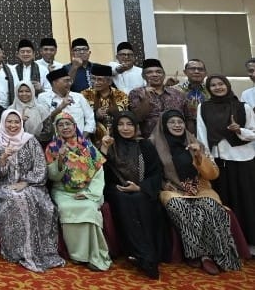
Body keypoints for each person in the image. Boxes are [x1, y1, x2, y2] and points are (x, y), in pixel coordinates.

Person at [152, 109, 240, 275]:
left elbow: (213, 174)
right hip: (172, 189)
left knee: (211, 207)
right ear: (164, 125)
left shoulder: (196, 143)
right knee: (180, 207)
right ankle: (201, 255)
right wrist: (164, 185)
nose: (177, 125)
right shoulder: (153, 144)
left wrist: (199, 156)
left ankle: (219, 254)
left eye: (180, 122)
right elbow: (151, 173)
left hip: (200, 188)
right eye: (172, 122)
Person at [0, 109, 63, 272]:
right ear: (3, 122)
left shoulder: (30, 140)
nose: (13, 125)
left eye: (16, 122)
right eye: (9, 121)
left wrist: (26, 182)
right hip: (5, 186)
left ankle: (40, 251)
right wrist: (3, 158)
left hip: (31, 184)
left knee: (36, 201)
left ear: (21, 123)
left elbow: (40, 167)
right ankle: (19, 252)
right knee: (16, 199)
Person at [98, 112, 163, 279]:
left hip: (141, 188)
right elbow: (97, 172)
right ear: (115, 127)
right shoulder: (109, 144)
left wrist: (140, 187)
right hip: (115, 189)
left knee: (141, 200)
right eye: (121, 124)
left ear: (136, 127)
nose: (125, 128)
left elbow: (156, 173)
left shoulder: (145, 145)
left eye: (129, 124)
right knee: (124, 201)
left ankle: (148, 255)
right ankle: (139, 254)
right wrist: (104, 149)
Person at [44, 112, 112, 272]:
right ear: (56, 129)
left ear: (75, 126)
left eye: (68, 124)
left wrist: (89, 193)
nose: (65, 127)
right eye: (61, 125)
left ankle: (96, 255)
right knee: (66, 208)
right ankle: (78, 255)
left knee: (89, 208)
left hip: (88, 190)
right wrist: (60, 159)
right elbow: (53, 177)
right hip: (62, 191)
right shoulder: (52, 147)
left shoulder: (87, 145)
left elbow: (99, 171)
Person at [197, 75, 255, 254]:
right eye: (213, 85)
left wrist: (240, 130)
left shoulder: (243, 107)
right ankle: (231, 244)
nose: (217, 87)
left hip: (243, 160)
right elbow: (201, 134)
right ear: (209, 89)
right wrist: (207, 158)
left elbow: (253, 132)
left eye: (221, 84)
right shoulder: (203, 107)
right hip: (219, 162)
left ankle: (251, 243)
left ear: (227, 85)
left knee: (247, 202)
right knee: (226, 202)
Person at [129, 59, 188, 137]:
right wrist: (145, 99)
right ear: (143, 76)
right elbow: (137, 118)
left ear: (164, 75)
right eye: (149, 72)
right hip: (150, 140)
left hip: (177, 138)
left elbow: (187, 118)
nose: (155, 75)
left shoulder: (177, 94)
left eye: (158, 72)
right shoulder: (136, 93)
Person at [38, 67, 96, 137]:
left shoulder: (78, 97)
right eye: (66, 81)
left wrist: (82, 138)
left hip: (81, 139)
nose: (70, 83)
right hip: (56, 141)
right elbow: (45, 122)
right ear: (55, 82)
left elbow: (90, 119)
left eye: (70, 81)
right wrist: (61, 107)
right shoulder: (43, 97)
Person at [81, 64, 129, 144]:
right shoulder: (84, 95)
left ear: (109, 81)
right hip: (92, 140)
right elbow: (79, 118)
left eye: (100, 79)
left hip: (118, 138)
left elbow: (127, 116)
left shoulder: (121, 95)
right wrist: (95, 115)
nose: (96, 82)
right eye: (93, 79)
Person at [170, 59, 210, 134]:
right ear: (185, 72)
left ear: (205, 73)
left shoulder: (211, 89)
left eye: (200, 69)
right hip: (182, 130)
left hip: (209, 129)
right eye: (192, 69)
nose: (196, 71)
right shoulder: (174, 90)